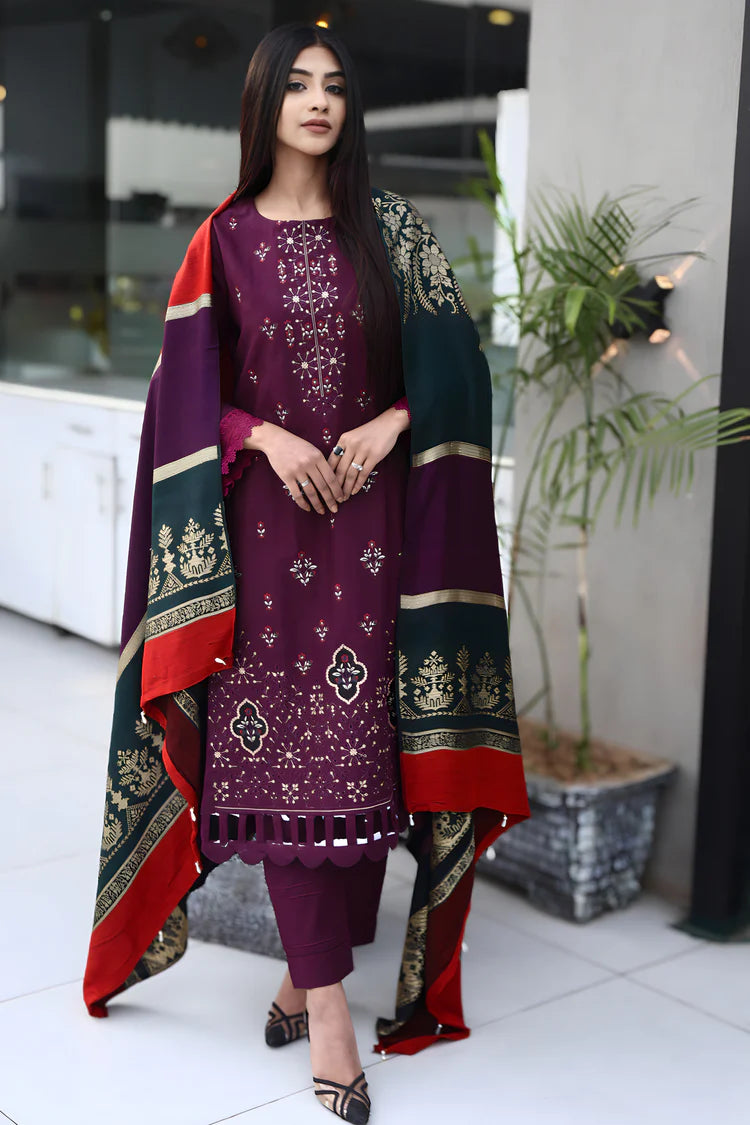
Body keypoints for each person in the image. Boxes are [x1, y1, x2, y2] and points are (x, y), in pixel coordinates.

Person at [83, 21, 530, 1125]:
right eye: (297, 85)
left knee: (362, 764)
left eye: (334, 85)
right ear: (264, 104)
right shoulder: (222, 240)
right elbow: (180, 401)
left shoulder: (393, 230)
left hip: (377, 534)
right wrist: (264, 436)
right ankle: (329, 1010)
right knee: (283, 763)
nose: (319, 101)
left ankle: (299, 978)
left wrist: (392, 422)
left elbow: (460, 374)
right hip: (263, 541)